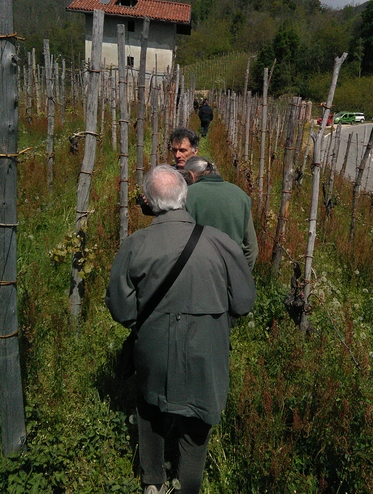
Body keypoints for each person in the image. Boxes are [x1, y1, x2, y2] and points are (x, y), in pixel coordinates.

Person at [105, 165, 256, 494]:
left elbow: (119, 306)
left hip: (153, 348)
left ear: (149, 202)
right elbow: (243, 302)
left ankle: (152, 482)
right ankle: (188, 485)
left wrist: (146, 324)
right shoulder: (221, 244)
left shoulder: (134, 244)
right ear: (184, 196)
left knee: (150, 412)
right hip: (208, 349)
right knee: (198, 423)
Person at [184, 156, 258, 270]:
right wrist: (241, 274)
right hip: (233, 271)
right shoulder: (240, 195)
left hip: (200, 273)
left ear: (191, 175)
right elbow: (251, 248)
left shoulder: (186, 196)